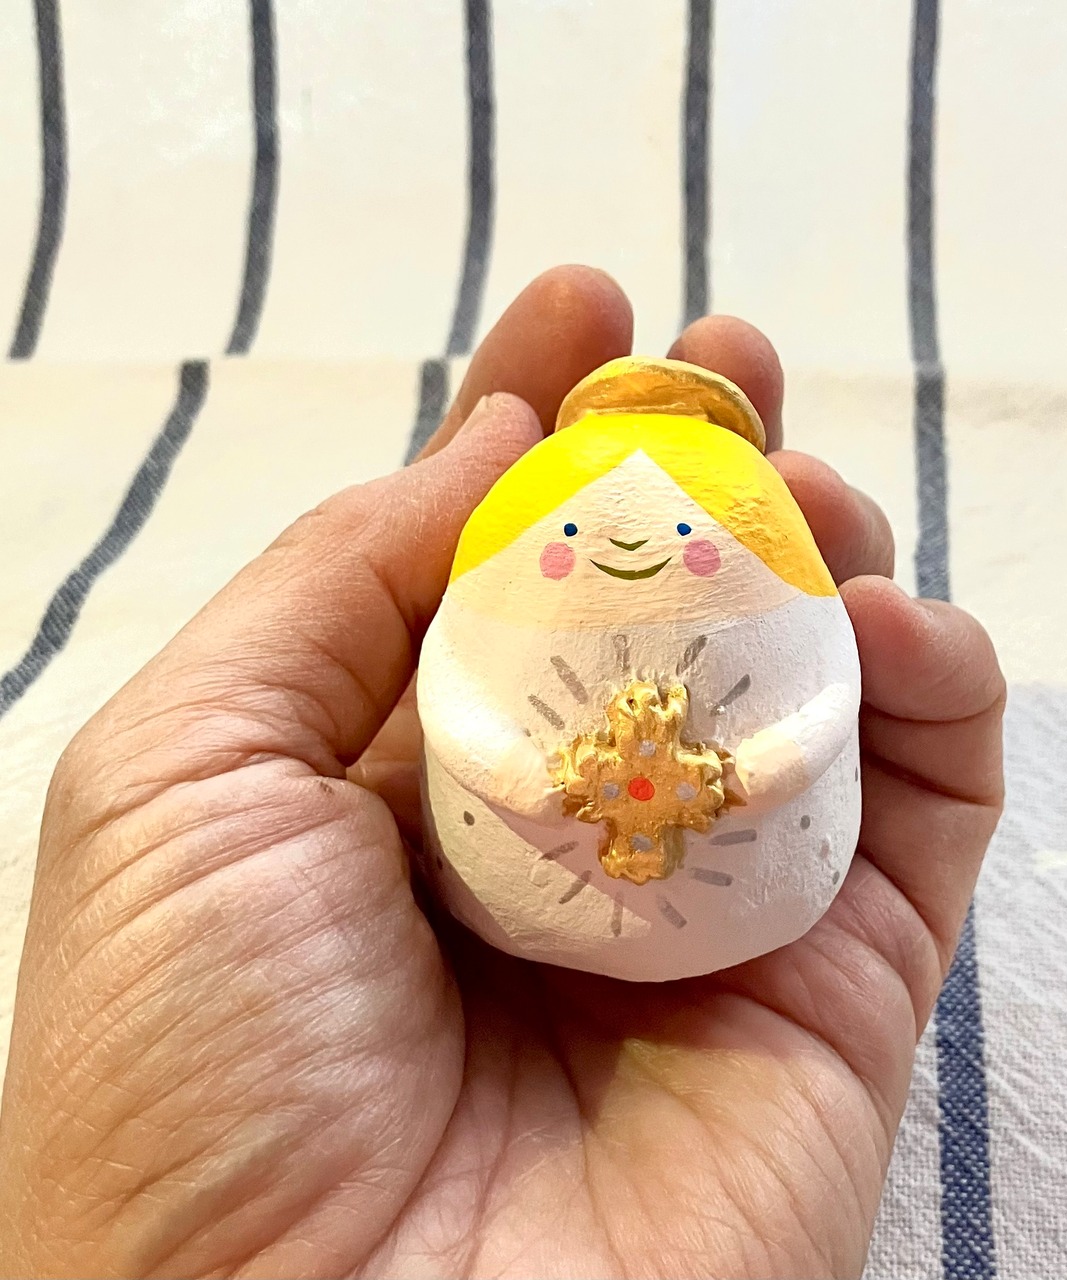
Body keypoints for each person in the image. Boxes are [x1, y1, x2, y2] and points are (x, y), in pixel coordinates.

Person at [0, 266, 1004, 1279]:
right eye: (568, 534)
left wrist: (756, 768)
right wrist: (534, 778)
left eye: (690, 540)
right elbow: (453, 689)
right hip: (498, 908)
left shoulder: (774, 547)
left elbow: (826, 680)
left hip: (760, 910)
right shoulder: (497, 550)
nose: (625, 542)